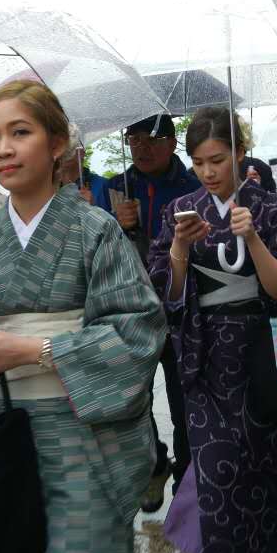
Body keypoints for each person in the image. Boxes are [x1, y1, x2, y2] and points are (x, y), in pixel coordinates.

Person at [0, 80, 164, 553]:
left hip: (86, 440)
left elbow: (139, 330)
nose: (4, 149)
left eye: (20, 132)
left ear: (57, 143)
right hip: (5, 439)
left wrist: (39, 350)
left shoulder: (94, 229)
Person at [148, 106, 277, 553]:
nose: (207, 172)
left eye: (218, 159)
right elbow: (167, 291)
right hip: (207, 364)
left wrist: (252, 238)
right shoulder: (180, 209)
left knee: (273, 478)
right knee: (219, 487)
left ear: (240, 154)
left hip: (267, 356)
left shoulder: (268, 208)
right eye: (199, 161)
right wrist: (179, 249)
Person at [100, 114, 200, 508]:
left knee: (184, 410)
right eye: (133, 139)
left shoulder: (192, 188)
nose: (140, 147)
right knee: (131, 407)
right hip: (130, 316)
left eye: (149, 139)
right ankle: (156, 461)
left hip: (179, 317)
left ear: (171, 143)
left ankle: (187, 496)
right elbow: (99, 253)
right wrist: (114, 222)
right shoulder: (115, 188)